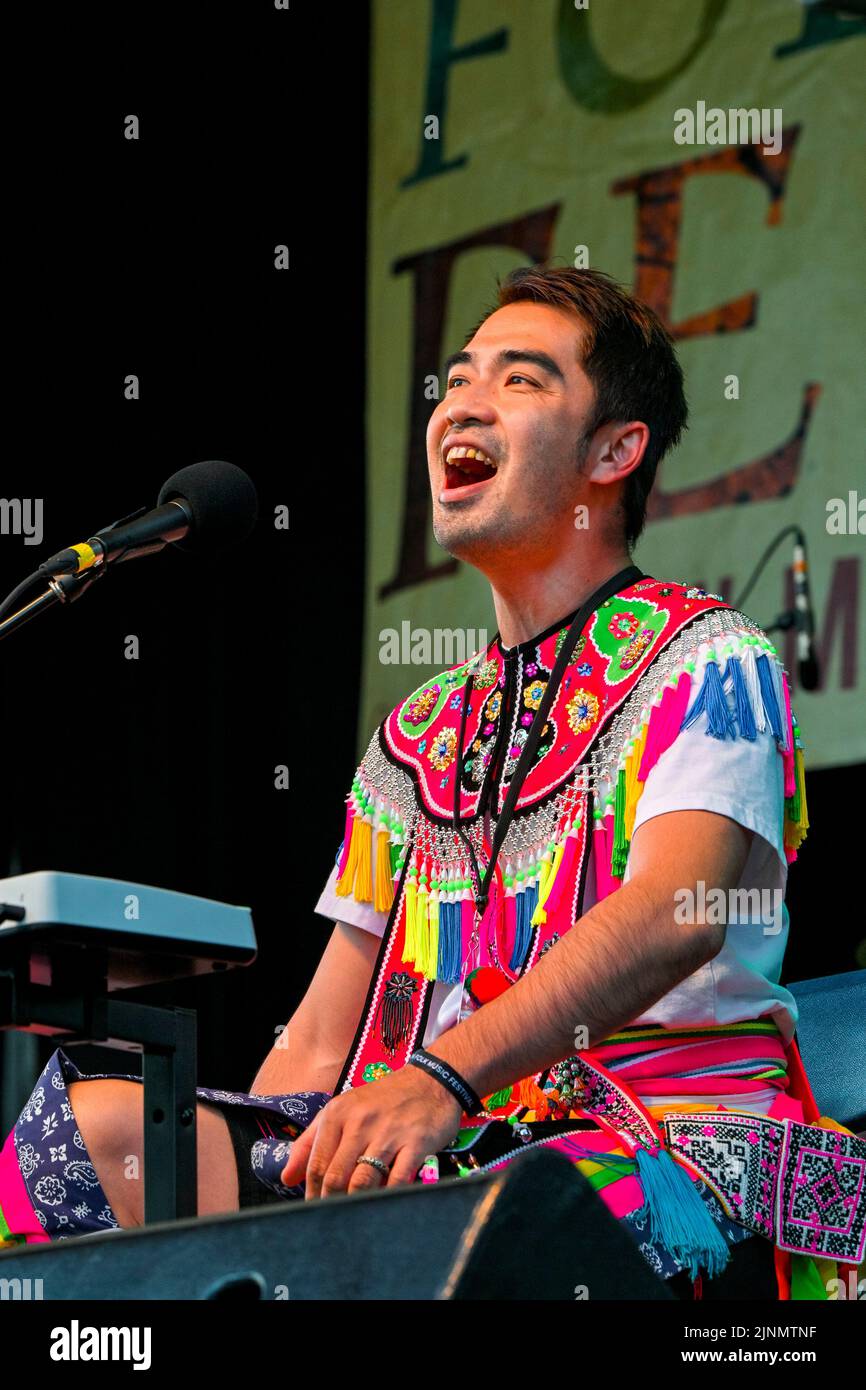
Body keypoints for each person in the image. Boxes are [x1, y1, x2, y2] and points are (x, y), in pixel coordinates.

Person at [2, 268, 863, 1303]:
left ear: (612, 451)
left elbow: (676, 908)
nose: (462, 401)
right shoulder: (415, 736)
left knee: (499, 1215)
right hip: (432, 1150)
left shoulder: (706, 659)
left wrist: (444, 1077)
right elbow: (322, 1039)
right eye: (457, 379)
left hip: (654, 1145)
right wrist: (251, 1206)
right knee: (88, 1134)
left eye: (520, 380)